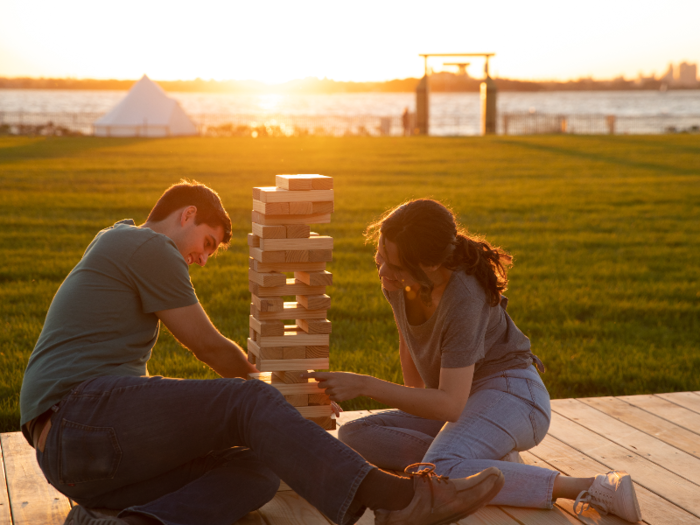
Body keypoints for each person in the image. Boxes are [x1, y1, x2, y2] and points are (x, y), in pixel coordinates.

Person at [19, 181, 506, 525]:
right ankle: (399, 498)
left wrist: (282, 420)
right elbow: (210, 347)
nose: (203, 258)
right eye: (206, 242)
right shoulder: (146, 244)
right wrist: (282, 402)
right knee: (245, 401)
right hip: (77, 418)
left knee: (257, 471)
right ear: (186, 215)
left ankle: (133, 524)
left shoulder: (116, 242)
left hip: (84, 466)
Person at [306, 199, 643, 523]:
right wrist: (406, 401)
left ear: (430, 264)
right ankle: (485, 460)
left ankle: (589, 486)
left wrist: (363, 384)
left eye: (394, 265)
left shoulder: (464, 296)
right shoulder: (400, 281)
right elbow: (411, 353)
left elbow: (450, 405)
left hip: (515, 396)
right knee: (355, 434)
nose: (382, 269)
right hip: (467, 401)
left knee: (442, 469)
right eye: (380, 256)